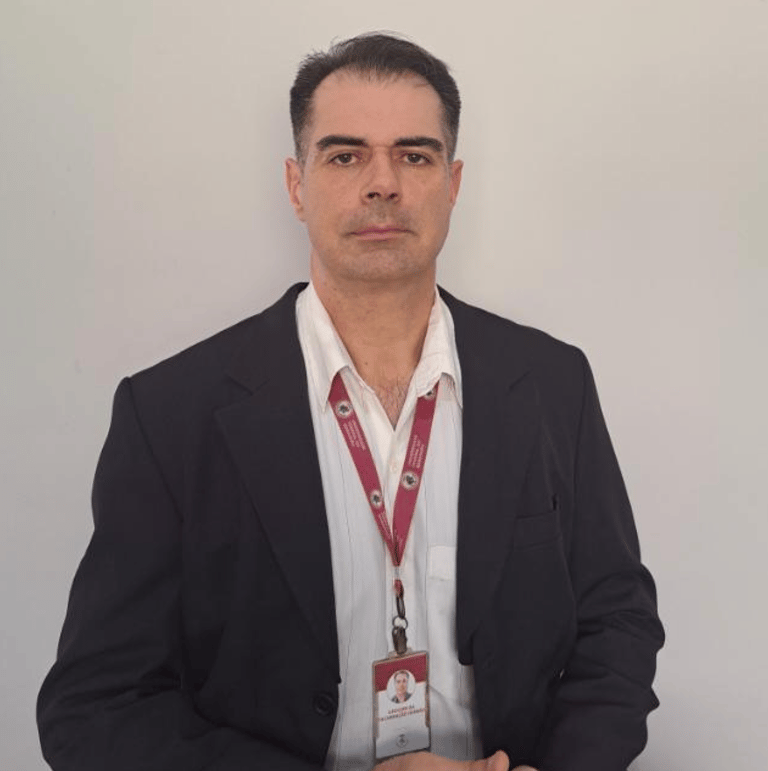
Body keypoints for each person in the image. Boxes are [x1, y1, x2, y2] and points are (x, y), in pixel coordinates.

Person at [37, 32, 664, 771]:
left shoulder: (554, 382)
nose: (382, 184)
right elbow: (97, 706)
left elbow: (617, 622)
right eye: (344, 156)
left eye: (415, 156)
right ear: (295, 185)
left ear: (453, 183)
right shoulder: (170, 415)